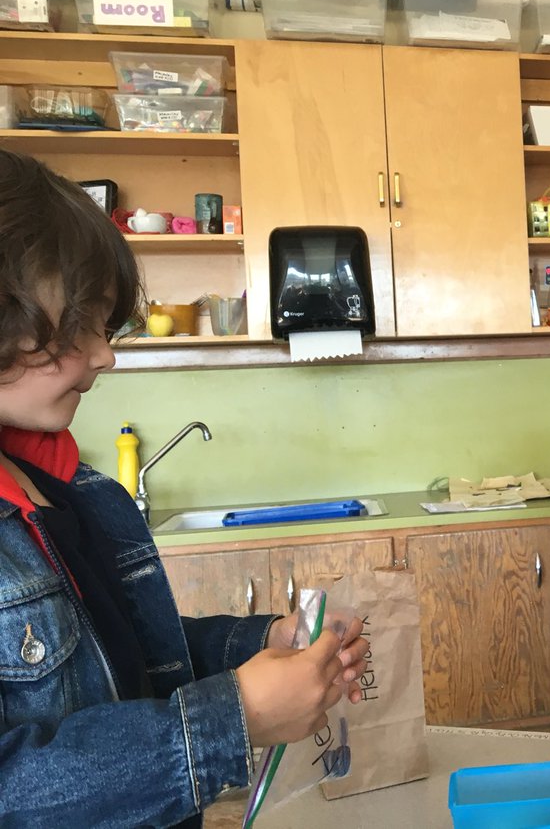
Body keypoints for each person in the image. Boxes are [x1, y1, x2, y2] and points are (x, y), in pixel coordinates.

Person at [0, 149, 371, 827]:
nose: (105, 355)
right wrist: (236, 717)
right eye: (80, 325)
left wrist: (266, 641)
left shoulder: (80, 494)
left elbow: (136, 661)